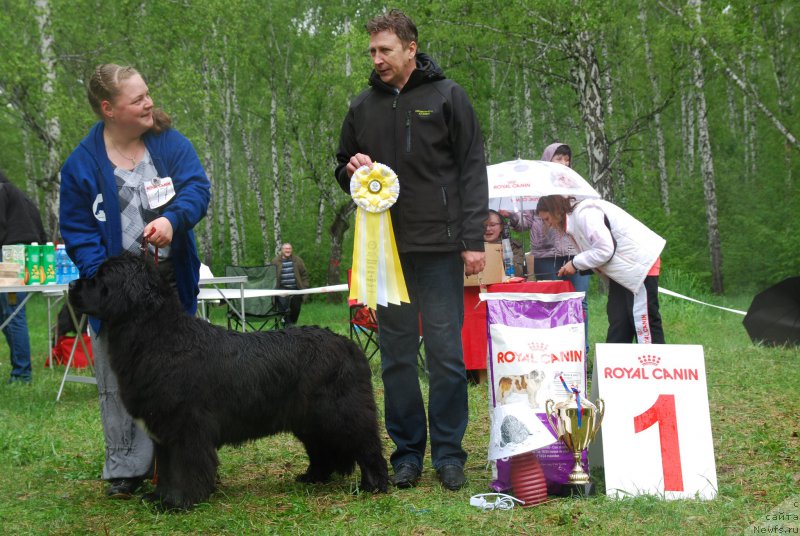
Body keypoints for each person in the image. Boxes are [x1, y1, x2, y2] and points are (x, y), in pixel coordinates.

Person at [334, 10, 487, 491]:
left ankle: (448, 454)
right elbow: (342, 166)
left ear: (411, 48)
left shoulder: (448, 96)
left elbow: (471, 170)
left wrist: (473, 240)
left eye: (385, 50)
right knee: (397, 357)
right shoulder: (362, 107)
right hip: (387, 257)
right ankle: (406, 455)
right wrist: (352, 170)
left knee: (445, 355)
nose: (377, 59)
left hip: (441, 250)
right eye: (372, 51)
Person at [59, 63, 211, 499]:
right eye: (137, 98)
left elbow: (197, 190)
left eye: (147, 93)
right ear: (109, 109)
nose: (148, 102)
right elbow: (77, 230)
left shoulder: (168, 144)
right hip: (116, 293)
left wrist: (173, 219)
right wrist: (102, 278)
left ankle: (181, 465)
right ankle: (125, 466)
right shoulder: (81, 164)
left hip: (168, 282)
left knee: (180, 379)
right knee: (119, 377)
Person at [535, 195, 665, 344]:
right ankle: (615, 365)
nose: (548, 224)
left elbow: (605, 250)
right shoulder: (574, 221)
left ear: (556, 211)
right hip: (622, 271)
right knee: (619, 321)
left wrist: (575, 263)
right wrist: (576, 264)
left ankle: (652, 364)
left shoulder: (585, 214)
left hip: (639, 266)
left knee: (644, 321)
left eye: (547, 219)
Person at [504, 143, 590, 355]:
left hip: (576, 253)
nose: (563, 162)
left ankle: (580, 351)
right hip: (544, 255)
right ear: (547, 161)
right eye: (558, 158)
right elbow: (524, 223)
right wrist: (512, 217)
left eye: (566, 158)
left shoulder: (577, 188)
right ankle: (552, 353)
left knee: (579, 303)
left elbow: (586, 220)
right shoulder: (533, 189)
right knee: (550, 303)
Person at [0, 169, 47, 384]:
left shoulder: (2, 191)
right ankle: (20, 368)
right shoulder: (19, 195)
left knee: (13, 313)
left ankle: (22, 373)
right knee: (9, 314)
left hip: (10, 256)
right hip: (31, 255)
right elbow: (40, 229)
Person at [271, 243, 310, 327]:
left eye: (289, 249)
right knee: (283, 308)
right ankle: (287, 325)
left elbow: (304, 275)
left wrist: (305, 287)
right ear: (282, 250)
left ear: (291, 250)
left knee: (296, 308)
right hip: (281, 289)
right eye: (286, 249)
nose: (287, 250)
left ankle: (292, 324)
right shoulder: (275, 261)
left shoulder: (298, 260)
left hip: (296, 288)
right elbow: (270, 276)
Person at [483, 210, 523, 277]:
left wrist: (505, 258)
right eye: (484, 225)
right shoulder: (471, 248)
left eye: (492, 225)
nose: (488, 229)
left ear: (501, 227)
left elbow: (519, 274)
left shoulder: (512, 246)